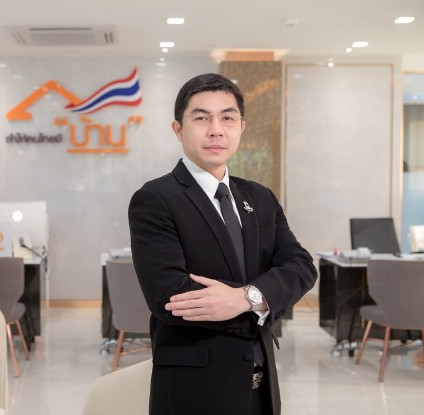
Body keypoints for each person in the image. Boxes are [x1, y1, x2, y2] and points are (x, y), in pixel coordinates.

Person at [128, 73, 317, 415]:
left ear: (241, 128)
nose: (216, 130)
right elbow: (169, 296)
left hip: (261, 388)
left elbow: (301, 266)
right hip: (195, 390)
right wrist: (264, 299)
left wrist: (245, 298)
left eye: (227, 118)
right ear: (178, 129)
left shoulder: (260, 197)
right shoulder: (155, 199)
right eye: (202, 118)